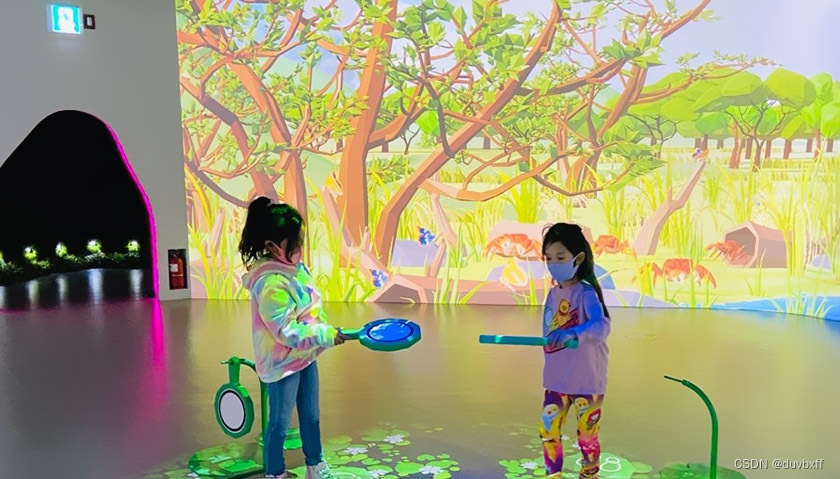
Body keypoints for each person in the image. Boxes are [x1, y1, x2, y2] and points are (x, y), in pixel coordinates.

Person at [239, 197, 348, 479]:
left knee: (311, 416)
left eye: (300, 239)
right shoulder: (270, 284)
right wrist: (323, 335)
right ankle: (275, 473)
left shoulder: (295, 268)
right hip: (281, 364)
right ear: (272, 246)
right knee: (279, 423)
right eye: (294, 242)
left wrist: (322, 332)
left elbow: (309, 309)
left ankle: (315, 464)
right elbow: (287, 331)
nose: (300, 246)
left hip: (305, 355)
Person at [539, 223, 611, 479]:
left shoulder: (586, 293)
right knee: (548, 431)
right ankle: (553, 475)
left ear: (578, 259)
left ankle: (589, 475)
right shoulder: (552, 294)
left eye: (560, 258)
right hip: (557, 379)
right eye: (548, 258)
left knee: (587, 435)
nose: (553, 264)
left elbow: (601, 326)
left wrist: (574, 333)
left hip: (586, 380)